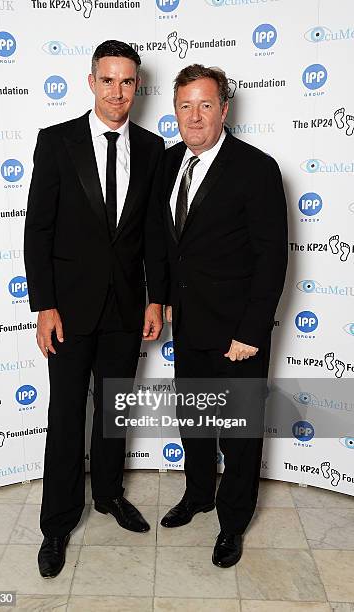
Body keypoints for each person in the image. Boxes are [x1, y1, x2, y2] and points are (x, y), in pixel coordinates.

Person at [24, 40, 167, 579]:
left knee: (113, 411)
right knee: (65, 416)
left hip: (127, 310)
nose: (117, 91)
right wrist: (45, 306)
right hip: (69, 310)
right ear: (91, 82)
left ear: (137, 87)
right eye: (107, 80)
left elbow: (154, 232)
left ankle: (108, 496)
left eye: (127, 82)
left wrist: (156, 297)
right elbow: (37, 229)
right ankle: (57, 523)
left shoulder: (152, 149)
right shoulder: (56, 142)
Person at [160, 64, 288, 568]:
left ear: (224, 110)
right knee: (194, 420)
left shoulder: (256, 167)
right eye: (185, 105)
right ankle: (197, 495)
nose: (195, 116)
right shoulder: (168, 163)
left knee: (238, 433)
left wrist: (252, 331)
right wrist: (165, 297)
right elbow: (170, 244)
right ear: (175, 110)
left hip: (238, 333)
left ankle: (232, 522)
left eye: (205, 105)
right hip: (189, 324)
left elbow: (272, 256)